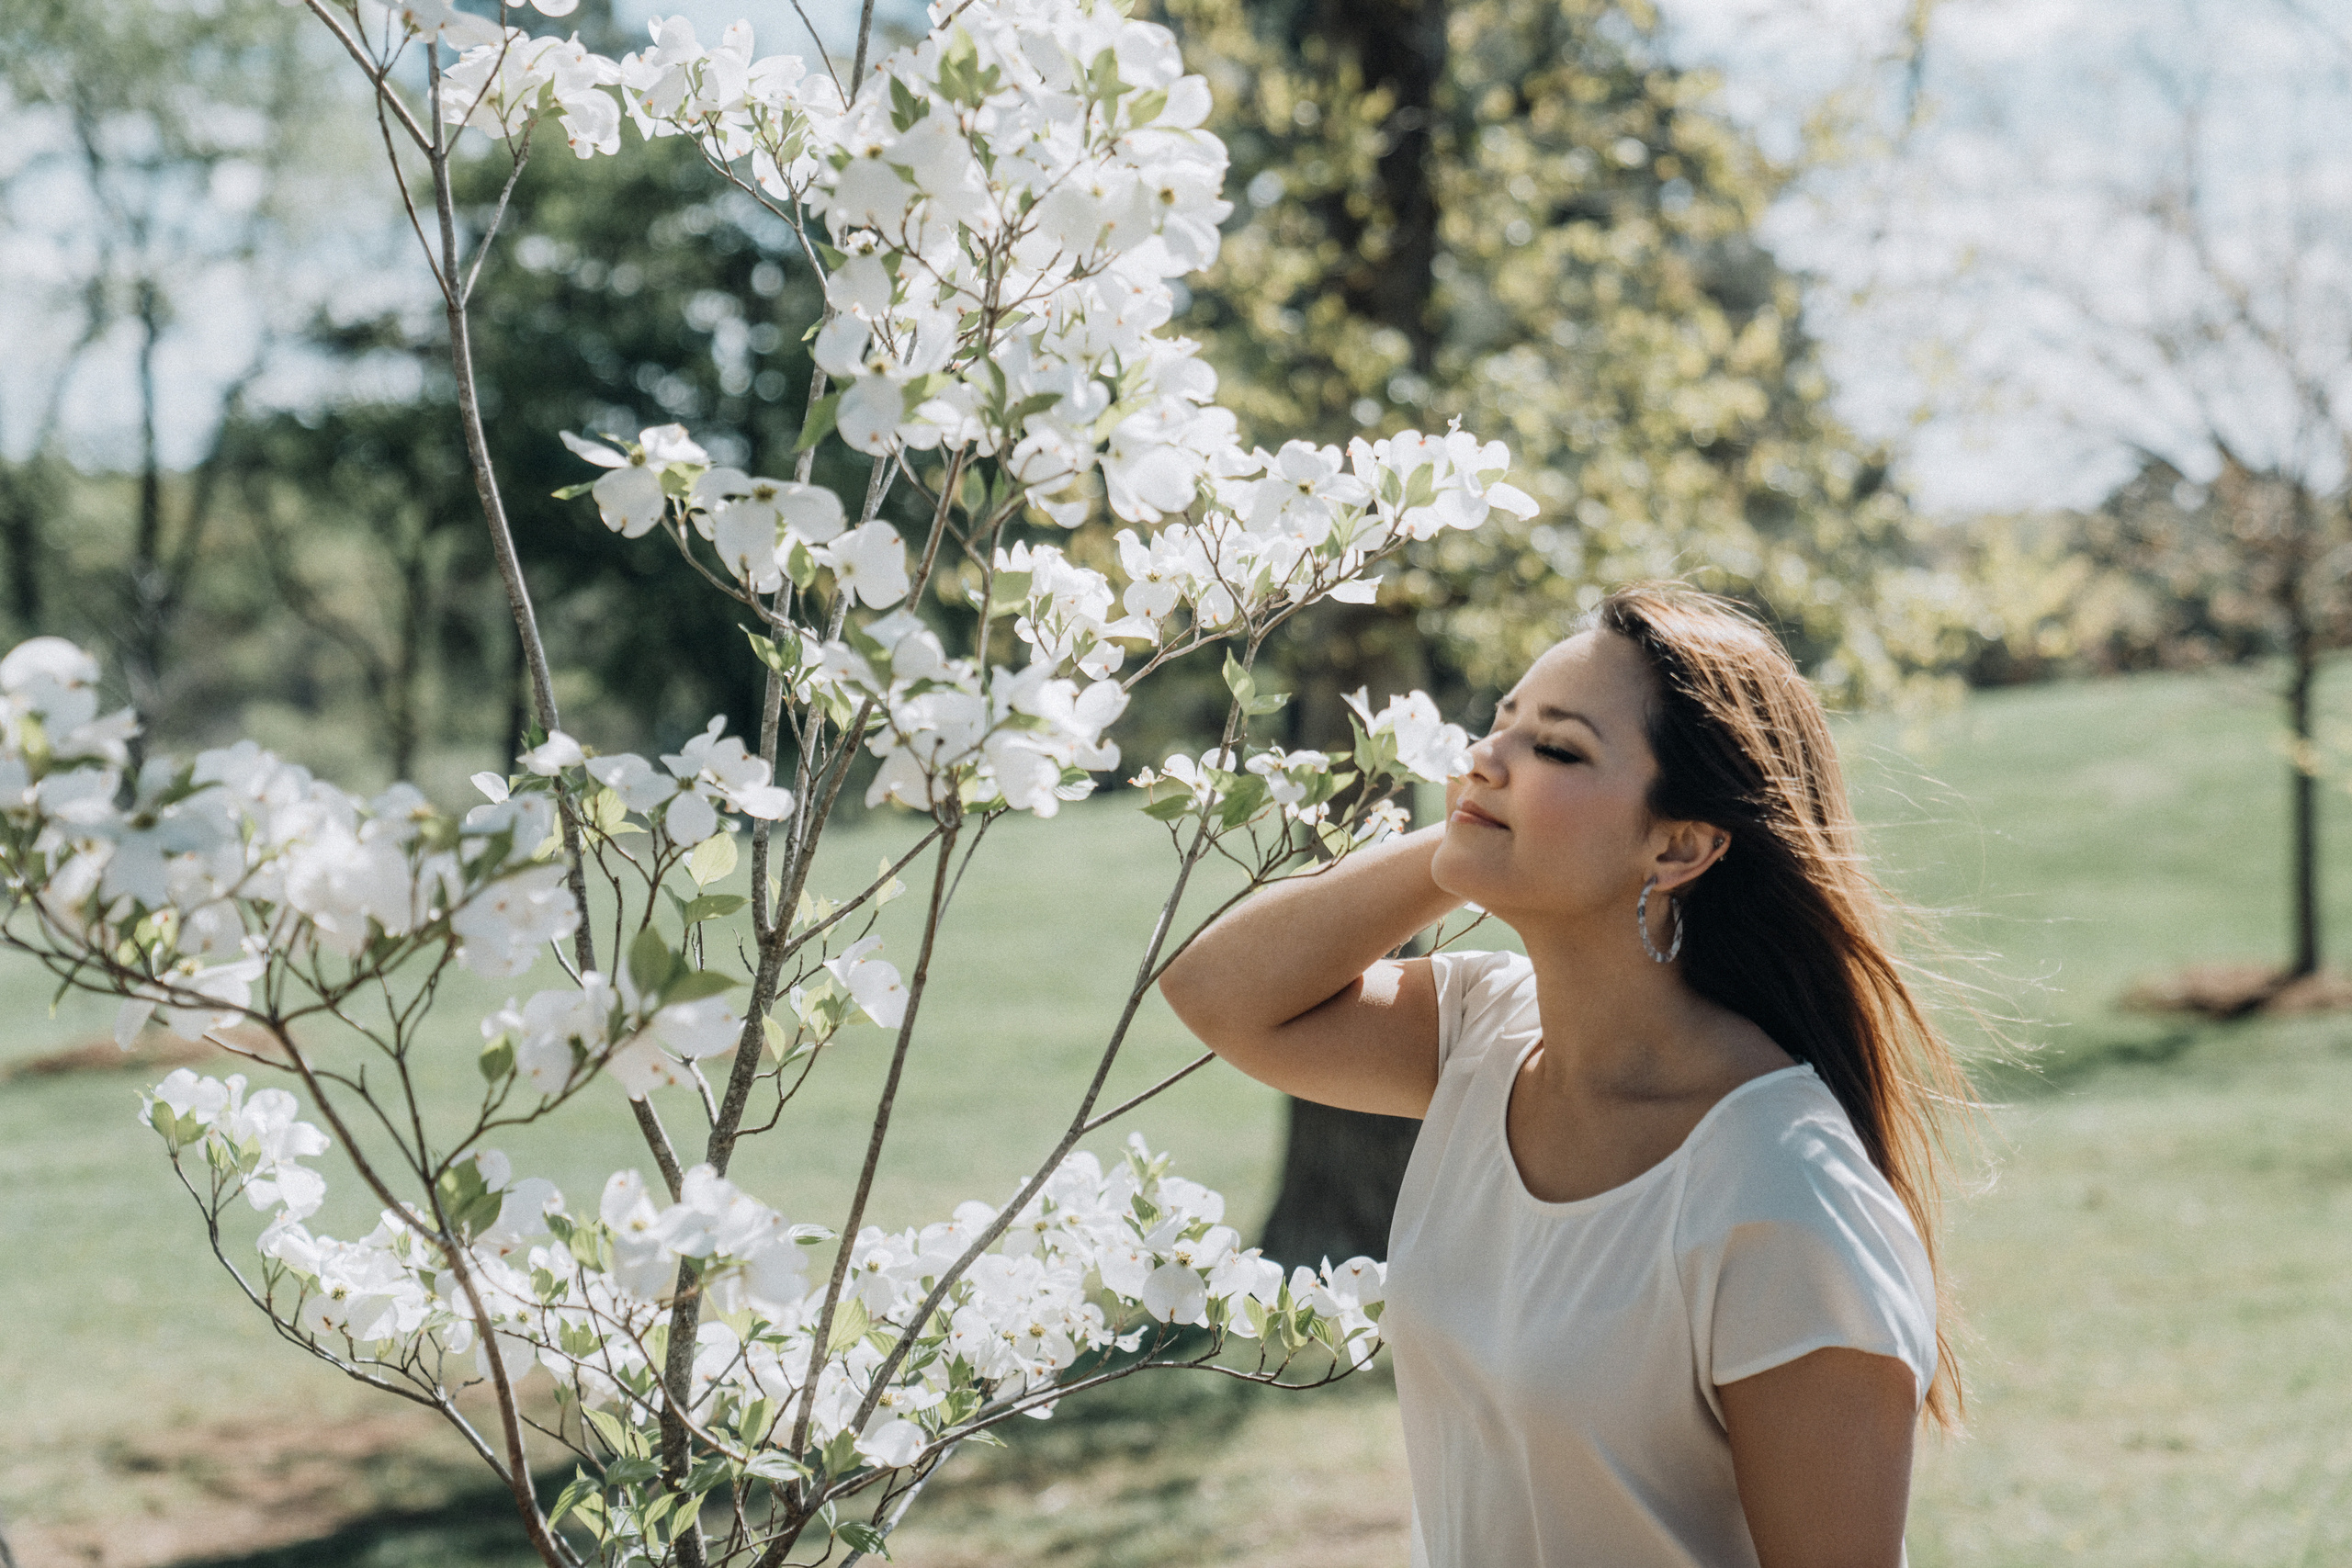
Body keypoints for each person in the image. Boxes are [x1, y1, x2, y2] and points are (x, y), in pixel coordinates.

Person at [1159, 584, 1970, 1568]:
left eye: (1556, 747)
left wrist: (1492, 824)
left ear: (1678, 845)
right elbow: (1220, 995)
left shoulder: (1784, 1200)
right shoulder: (1480, 1037)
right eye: (1497, 724)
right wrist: (1473, 828)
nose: (1483, 757)